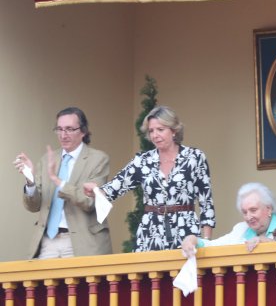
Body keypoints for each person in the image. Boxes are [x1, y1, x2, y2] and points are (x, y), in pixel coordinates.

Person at [84, 106, 216, 251]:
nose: (155, 135)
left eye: (160, 129)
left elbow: (206, 201)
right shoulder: (142, 160)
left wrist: (205, 241)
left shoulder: (194, 157)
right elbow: (115, 187)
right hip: (150, 233)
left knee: (185, 274)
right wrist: (96, 191)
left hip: (186, 232)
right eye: (151, 131)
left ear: (174, 130)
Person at [14, 107, 113, 259]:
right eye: (59, 129)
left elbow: (89, 202)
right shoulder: (47, 159)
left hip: (82, 242)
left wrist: (57, 180)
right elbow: (33, 206)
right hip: (48, 240)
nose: (63, 135)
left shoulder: (98, 159)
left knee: (79, 284)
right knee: (43, 283)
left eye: (69, 129)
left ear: (83, 131)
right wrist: (30, 179)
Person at [181, 182, 276, 257]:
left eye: (253, 210)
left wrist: (265, 242)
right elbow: (214, 246)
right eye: (244, 212)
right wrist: (193, 240)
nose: (249, 217)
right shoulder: (241, 229)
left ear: (269, 209)